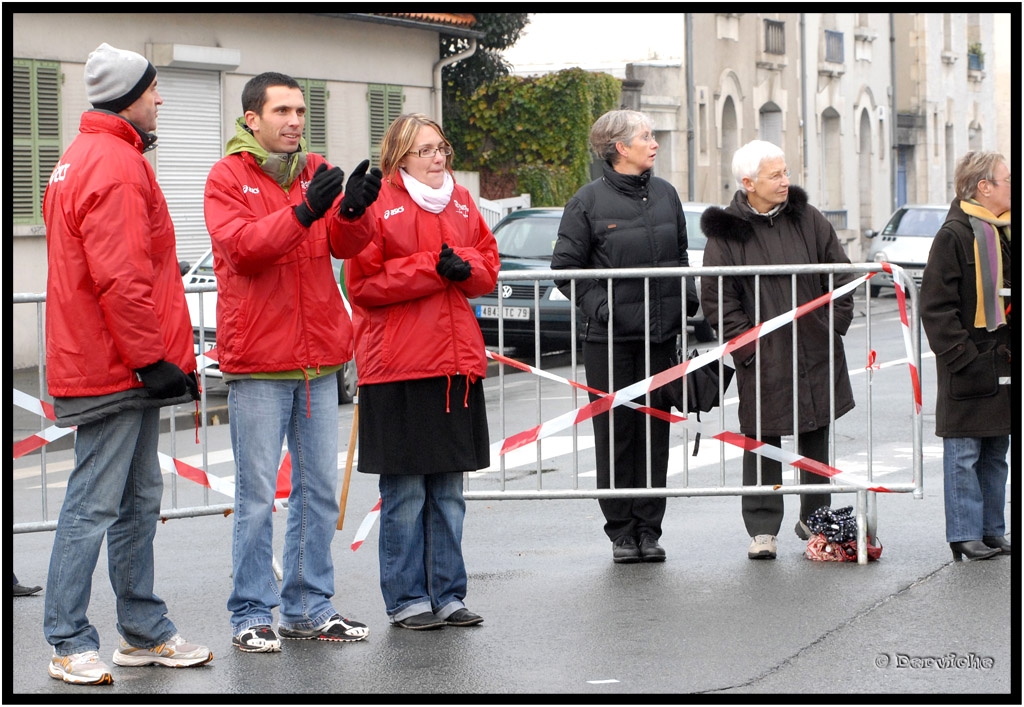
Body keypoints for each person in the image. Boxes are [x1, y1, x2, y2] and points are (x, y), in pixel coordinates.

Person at [41, 42, 211, 685]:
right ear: (127, 97)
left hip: (117, 362)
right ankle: (67, 639)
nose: (161, 98)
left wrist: (154, 360)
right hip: (115, 365)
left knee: (137, 500)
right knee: (94, 505)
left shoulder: (89, 155)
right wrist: (152, 360)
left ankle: (141, 630)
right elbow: (121, 278)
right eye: (153, 89)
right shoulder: (113, 163)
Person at [203, 72, 381, 652]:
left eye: (301, 111)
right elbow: (244, 251)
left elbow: (346, 247)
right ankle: (250, 613)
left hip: (318, 361)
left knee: (318, 492)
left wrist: (355, 211)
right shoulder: (227, 177)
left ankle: (308, 608)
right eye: (282, 111)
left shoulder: (314, 168)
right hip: (258, 364)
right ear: (252, 119)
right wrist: (305, 212)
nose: (295, 122)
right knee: (257, 498)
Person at [343, 113, 499, 630]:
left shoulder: (460, 199)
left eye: (442, 148)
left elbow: (487, 265)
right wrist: (434, 268)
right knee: (406, 493)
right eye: (427, 150)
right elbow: (362, 282)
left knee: (448, 493)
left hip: (455, 368)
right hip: (398, 367)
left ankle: (449, 594)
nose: (439, 158)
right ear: (399, 157)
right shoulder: (379, 203)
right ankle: (407, 599)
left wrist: (466, 269)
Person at [551, 109, 699, 564]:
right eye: (646, 136)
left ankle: (649, 530)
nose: (654, 143)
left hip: (661, 338)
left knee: (655, 432)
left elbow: (679, 254)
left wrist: (686, 300)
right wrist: (603, 309)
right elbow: (565, 271)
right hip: (609, 343)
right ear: (620, 148)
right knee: (616, 435)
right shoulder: (587, 202)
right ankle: (621, 532)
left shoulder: (666, 194)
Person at [700, 139, 856, 560]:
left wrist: (832, 328)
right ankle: (763, 528)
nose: (786, 181)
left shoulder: (808, 219)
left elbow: (841, 276)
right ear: (748, 182)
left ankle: (815, 519)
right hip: (763, 355)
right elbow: (718, 300)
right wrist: (747, 348)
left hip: (814, 347)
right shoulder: (725, 234)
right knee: (762, 440)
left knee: (815, 432)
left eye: (786, 172)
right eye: (776, 175)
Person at [920, 151, 1011, 562]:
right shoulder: (954, 233)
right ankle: (965, 534)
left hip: (1003, 359)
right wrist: (964, 356)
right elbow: (936, 306)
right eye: (1009, 180)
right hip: (970, 359)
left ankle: (993, 530)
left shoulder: (1006, 230)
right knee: (964, 452)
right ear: (984, 187)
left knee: (996, 451)